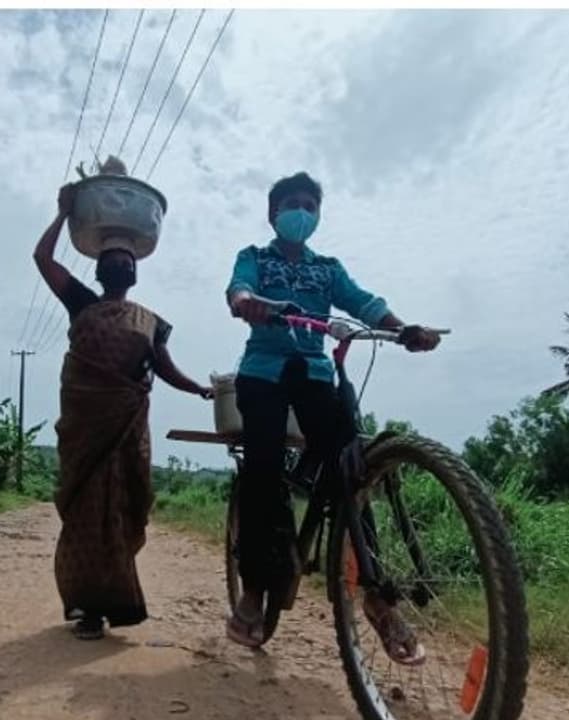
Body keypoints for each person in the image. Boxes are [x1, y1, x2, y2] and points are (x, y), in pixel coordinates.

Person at [224, 171, 441, 664]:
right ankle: (255, 590)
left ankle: (375, 597)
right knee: (262, 470)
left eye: (310, 205)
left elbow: (364, 302)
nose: (301, 212)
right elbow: (238, 289)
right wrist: (248, 304)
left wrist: (402, 327)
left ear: (318, 216)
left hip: (317, 372)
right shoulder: (255, 258)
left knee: (352, 469)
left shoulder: (327, 269)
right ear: (273, 213)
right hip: (264, 372)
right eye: (292, 204)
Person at [36, 182, 212, 640]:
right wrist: (61, 214)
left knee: (119, 514)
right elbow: (42, 260)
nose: (119, 263)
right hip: (87, 432)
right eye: (111, 259)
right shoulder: (81, 304)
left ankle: (113, 602)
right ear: (98, 271)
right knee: (87, 515)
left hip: (127, 433)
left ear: (134, 272)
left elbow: (166, 368)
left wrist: (198, 389)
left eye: (127, 260)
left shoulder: (151, 321)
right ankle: (87, 608)